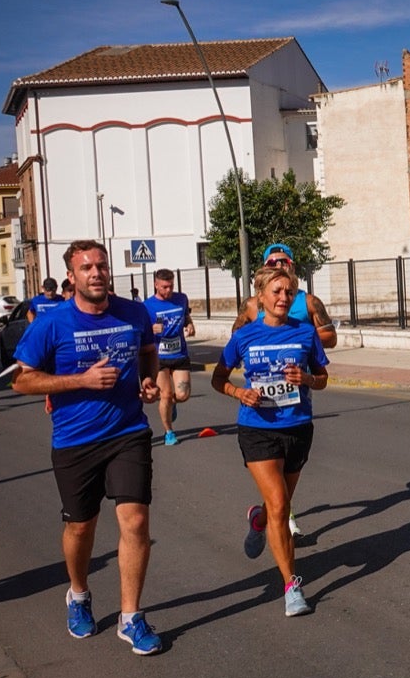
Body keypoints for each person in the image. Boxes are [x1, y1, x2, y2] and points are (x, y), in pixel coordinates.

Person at [10, 240, 164, 656]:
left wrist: (148, 382)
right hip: (75, 440)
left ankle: (130, 617)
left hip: (128, 431)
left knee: (135, 523)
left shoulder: (134, 312)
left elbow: (148, 354)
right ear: (72, 276)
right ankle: (78, 594)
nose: (95, 273)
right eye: (86, 268)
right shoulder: (52, 323)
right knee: (82, 526)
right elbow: (22, 380)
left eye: (101, 265)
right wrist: (80, 381)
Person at [211, 264, 330, 617]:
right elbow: (218, 378)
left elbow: (323, 379)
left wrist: (306, 379)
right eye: (276, 292)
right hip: (257, 428)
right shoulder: (244, 337)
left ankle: (258, 521)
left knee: (278, 505)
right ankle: (291, 585)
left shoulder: (305, 334)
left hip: (298, 427)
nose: (283, 297)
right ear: (260, 297)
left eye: (288, 292)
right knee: (280, 504)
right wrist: (238, 392)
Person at [232, 243, 338, 536]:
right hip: (261, 407)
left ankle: (264, 517)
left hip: (296, 395)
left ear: (292, 266)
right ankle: (283, 520)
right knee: (278, 495)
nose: (280, 266)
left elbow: (331, 335)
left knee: (283, 485)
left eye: (285, 261)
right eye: (273, 261)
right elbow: (236, 335)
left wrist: (298, 337)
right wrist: (265, 339)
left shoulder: (309, 302)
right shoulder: (253, 305)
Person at [144, 269, 195, 446]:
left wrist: (189, 325)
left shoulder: (181, 298)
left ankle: (172, 405)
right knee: (165, 395)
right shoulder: (147, 306)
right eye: (164, 287)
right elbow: (141, 331)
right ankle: (169, 432)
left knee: (183, 394)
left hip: (179, 353)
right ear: (156, 285)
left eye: (171, 286)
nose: (168, 290)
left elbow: (186, 316)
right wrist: (150, 330)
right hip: (158, 357)